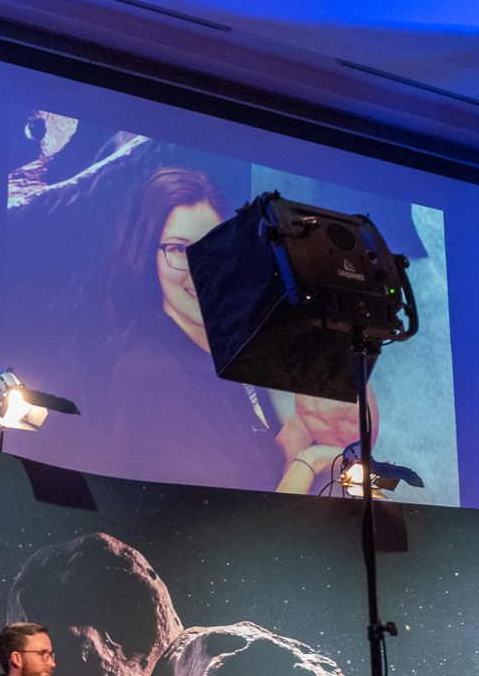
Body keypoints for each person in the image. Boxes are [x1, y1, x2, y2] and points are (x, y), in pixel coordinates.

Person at [100, 167, 370, 495]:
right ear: (146, 255)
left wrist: (306, 428)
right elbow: (225, 517)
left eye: (211, 249)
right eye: (178, 250)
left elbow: (260, 474)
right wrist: (310, 463)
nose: (199, 270)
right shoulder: (150, 374)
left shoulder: (225, 351)